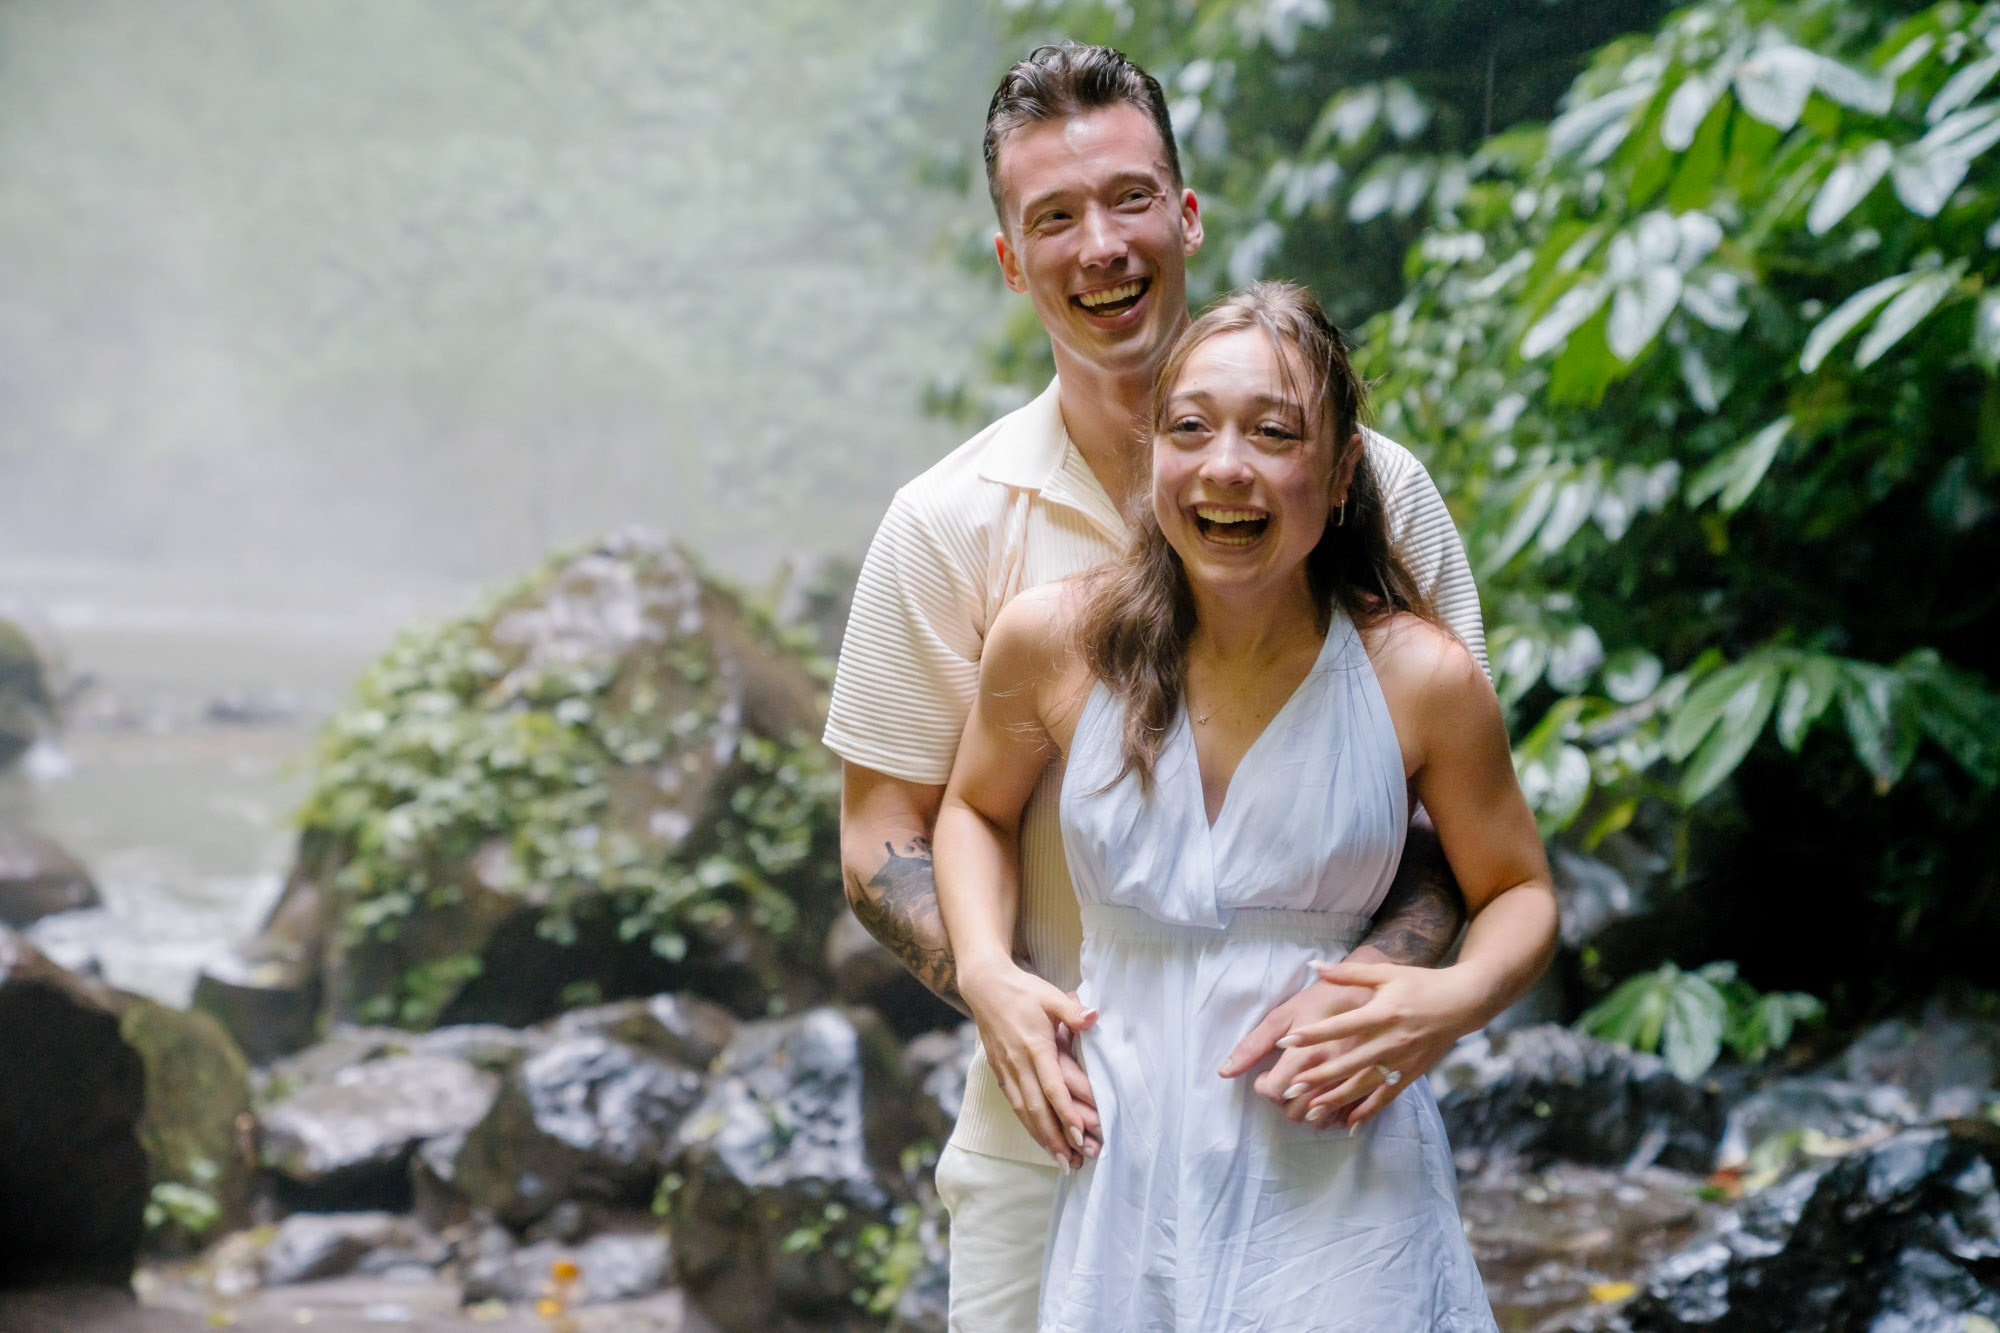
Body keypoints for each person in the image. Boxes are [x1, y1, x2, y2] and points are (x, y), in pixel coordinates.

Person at [823, 44, 1487, 1328]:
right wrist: (993, 986)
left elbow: (1456, 811)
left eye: (1128, 199)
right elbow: (881, 831)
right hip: (1054, 1130)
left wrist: (1380, 999)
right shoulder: (947, 523)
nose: (1100, 248)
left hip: (1312, 1133)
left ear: (1186, 216)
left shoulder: (1371, 486)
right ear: (1009, 259)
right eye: (1052, 219)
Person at [935, 282, 1558, 1328]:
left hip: (1339, 1163)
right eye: (1191, 428)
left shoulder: (1419, 676)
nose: (1226, 465)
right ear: (1153, 457)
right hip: (1121, 1163)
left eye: (1273, 433)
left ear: (1341, 472)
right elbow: (973, 813)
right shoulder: (1055, 642)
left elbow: (1518, 889)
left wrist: (1448, 1001)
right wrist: (987, 969)